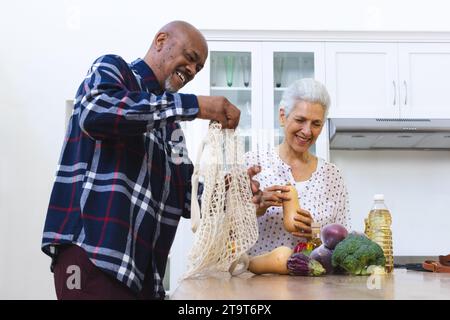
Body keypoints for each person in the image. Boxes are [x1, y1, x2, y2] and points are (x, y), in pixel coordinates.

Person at [42, 21, 262, 300]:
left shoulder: (173, 130)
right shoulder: (113, 70)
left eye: (199, 67)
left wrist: (230, 192)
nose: (192, 71)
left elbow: (187, 198)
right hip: (92, 257)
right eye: (191, 58)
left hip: (143, 275)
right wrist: (196, 105)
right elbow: (96, 112)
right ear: (160, 41)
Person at [245, 78, 350, 257]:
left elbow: (344, 245)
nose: (307, 131)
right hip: (257, 281)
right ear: (283, 116)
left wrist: (317, 233)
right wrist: (252, 211)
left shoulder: (333, 176)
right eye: (300, 120)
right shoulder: (252, 164)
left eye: (316, 124)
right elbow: (223, 233)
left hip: (315, 282)